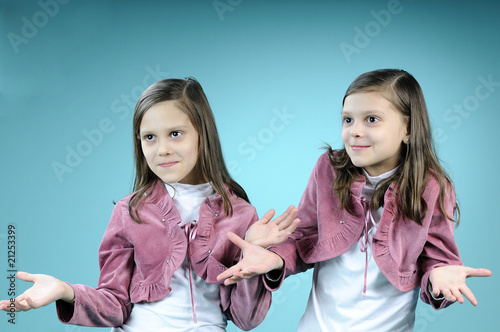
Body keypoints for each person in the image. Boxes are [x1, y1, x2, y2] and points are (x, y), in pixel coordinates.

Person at [0, 78, 299, 331]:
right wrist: (66, 291)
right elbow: (114, 304)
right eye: (150, 138)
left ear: (202, 136)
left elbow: (246, 319)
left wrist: (255, 260)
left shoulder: (241, 214)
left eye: (175, 134)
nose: (162, 149)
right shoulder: (129, 212)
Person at [217, 69, 492, 331]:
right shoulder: (329, 168)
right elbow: (305, 238)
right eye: (348, 119)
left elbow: (438, 259)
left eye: (371, 119)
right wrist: (274, 259)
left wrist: (439, 276)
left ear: (408, 129)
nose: (354, 131)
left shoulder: (432, 186)